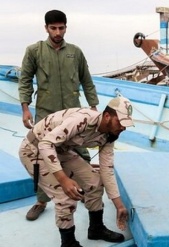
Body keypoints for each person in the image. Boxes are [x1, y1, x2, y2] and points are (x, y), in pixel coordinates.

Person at [18, 96, 133, 247]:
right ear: (107, 116)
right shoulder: (82, 120)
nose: (123, 127)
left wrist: (119, 205)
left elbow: (107, 169)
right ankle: (68, 243)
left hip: (60, 150)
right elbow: (46, 144)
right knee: (65, 196)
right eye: (120, 122)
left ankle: (96, 229)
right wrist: (63, 179)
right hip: (35, 150)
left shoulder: (110, 134)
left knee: (95, 182)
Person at [18, 9, 99, 221]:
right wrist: (25, 107)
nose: (57, 32)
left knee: (80, 152)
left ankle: (83, 192)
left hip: (73, 113)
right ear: (46, 28)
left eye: (61, 28)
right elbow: (25, 79)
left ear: (66, 28)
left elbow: (87, 80)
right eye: (53, 28)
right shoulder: (35, 51)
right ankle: (41, 201)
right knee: (41, 158)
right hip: (46, 115)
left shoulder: (75, 52)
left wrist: (93, 107)